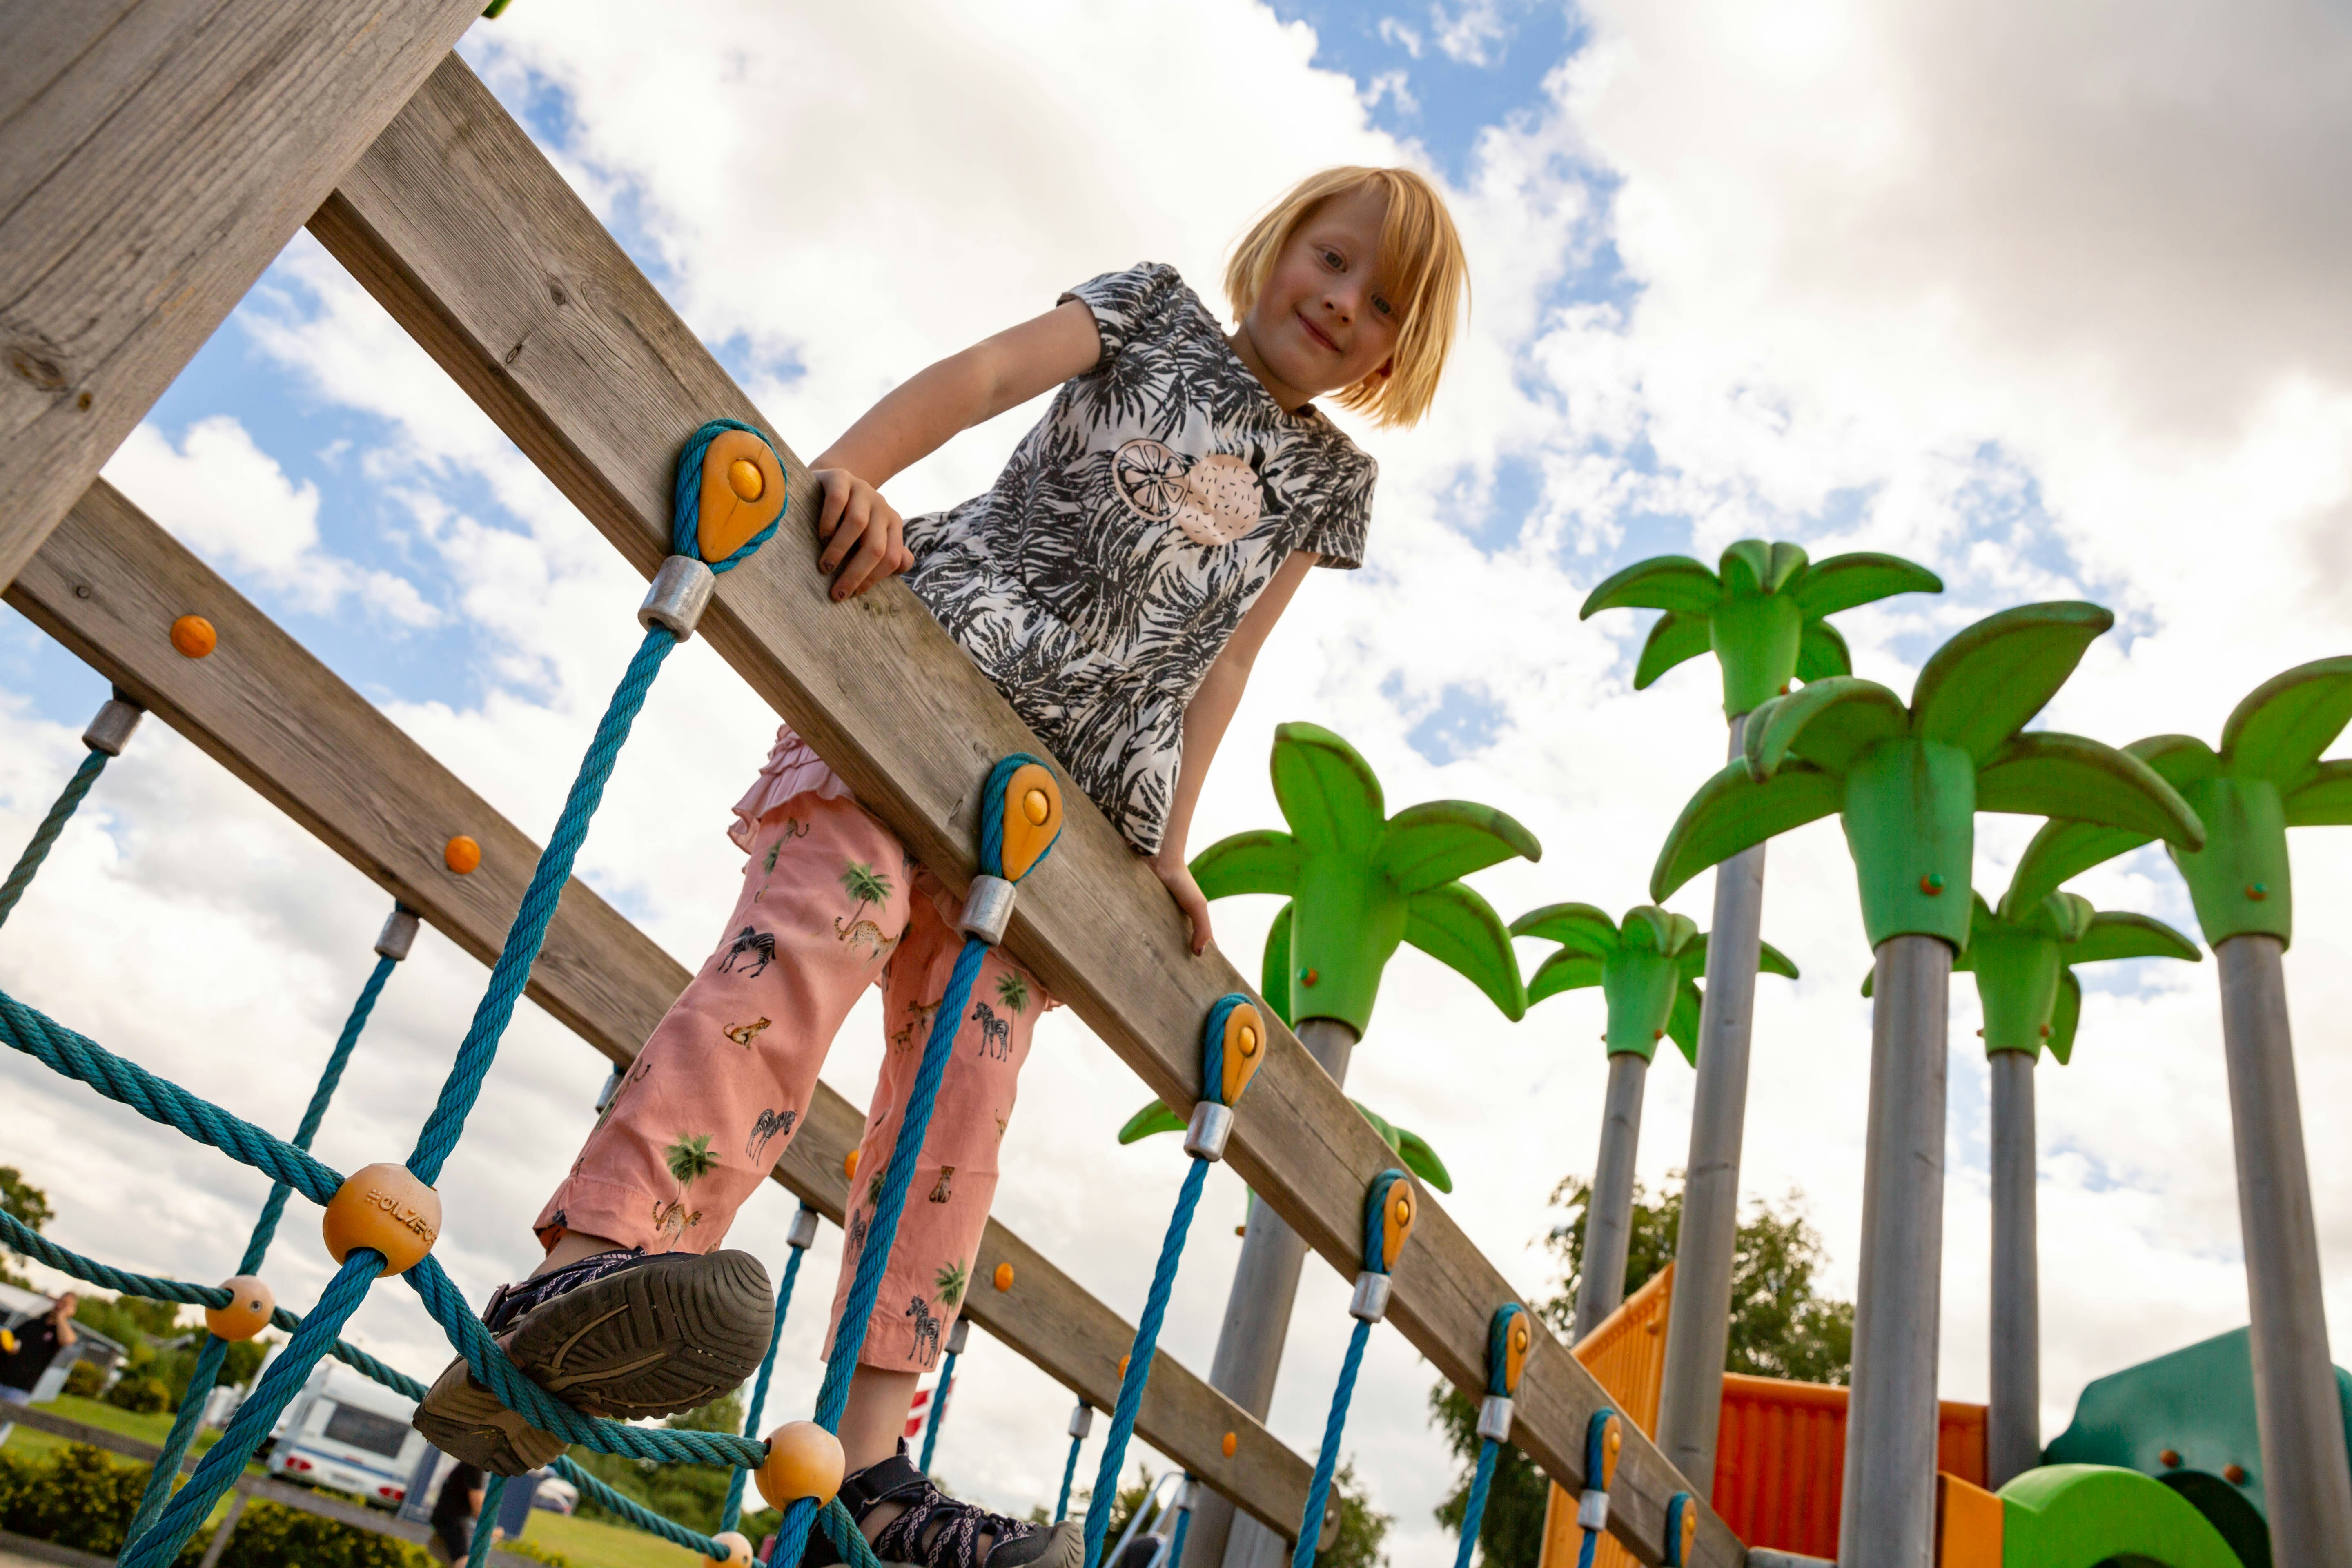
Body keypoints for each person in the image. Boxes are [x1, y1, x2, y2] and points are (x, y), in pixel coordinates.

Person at [414, 165, 1468, 1568]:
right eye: (1330, 261)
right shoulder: (1148, 313)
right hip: (926, 686)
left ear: (1403, 347)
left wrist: (1168, 842)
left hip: (1058, 822)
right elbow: (978, 376)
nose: (1340, 302)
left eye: (1382, 300)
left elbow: (1222, 671)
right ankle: (587, 1272)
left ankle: (870, 1465)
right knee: (805, 950)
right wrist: (842, 473)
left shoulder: (1330, 486)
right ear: (1276, 250)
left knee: (959, 1114)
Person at [0, 1291, 78, 1404]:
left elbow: (69, 1340)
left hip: (19, 1390)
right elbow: (10, 1340)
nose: (60, 1305)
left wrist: (61, 1316)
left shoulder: (58, 1332)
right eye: (60, 1301)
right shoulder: (34, 1323)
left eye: (65, 1304)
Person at [427, 1459, 487, 1566]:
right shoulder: (475, 1464)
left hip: (447, 1519)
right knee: (464, 1561)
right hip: (451, 1520)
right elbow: (477, 1501)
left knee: (464, 1560)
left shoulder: (472, 1462)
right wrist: (489, 1527)